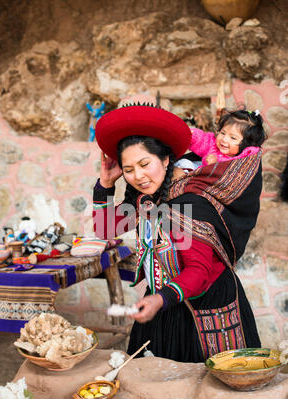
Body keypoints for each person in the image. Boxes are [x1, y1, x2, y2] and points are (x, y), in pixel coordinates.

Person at [93, 102, 262, 363]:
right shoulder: (145, 200)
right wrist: (105, 184)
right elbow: (106, 229)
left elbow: (199, 271)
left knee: (204, 392)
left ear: (165, 159)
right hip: (162, 303)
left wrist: (160, 300)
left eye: (145, 163)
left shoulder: (189, 202)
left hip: (204, 310)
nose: (138, 176)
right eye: (129, 170)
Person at [188, 107, 266, 167]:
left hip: (211, 183)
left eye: (233, 138)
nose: (224, 139)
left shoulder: (242, 161)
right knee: (183, 163)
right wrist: (191, 134)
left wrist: (215, 165)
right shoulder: (213, 145)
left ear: (247, 143)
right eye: (222, 133)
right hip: (196, 174)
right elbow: (202, 140)